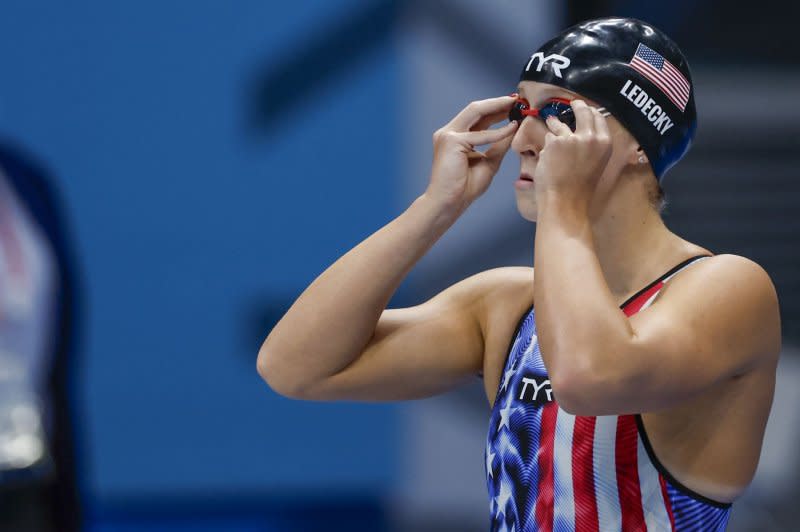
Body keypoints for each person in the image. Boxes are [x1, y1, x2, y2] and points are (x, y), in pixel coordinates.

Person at [257, 17, 780, 531]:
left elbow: (588, 379)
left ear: (640, 143)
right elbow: (295, 368)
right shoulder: (508, 305)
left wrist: (562, 211)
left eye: (557, 113)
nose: (525, 138)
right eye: (520, 108)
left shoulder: (728, 289)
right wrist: (434, 208)